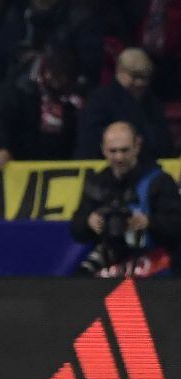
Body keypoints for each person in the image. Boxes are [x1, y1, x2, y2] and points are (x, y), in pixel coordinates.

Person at [70, 121, 181, 277]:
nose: (119, 157)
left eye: (124, 150)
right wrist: (89, 222)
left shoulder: (159, 181)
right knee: (80, 284)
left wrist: (148, 222)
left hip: (155, 264)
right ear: (103, 149)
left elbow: (176, 225)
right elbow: (76, 228)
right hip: (112, 260)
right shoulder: (97, 182)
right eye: (113, 151)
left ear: (137, 145)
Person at [75, 48, 174, 161]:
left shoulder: (153, 103)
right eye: (135, 76)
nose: (140, 83)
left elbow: (163, 140)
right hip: (107, 170)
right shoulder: (99, 101)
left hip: (149, 169)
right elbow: (89, 144)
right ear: (119, 72)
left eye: (145, 77)